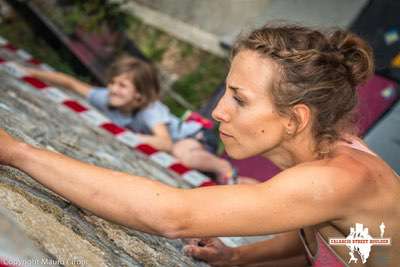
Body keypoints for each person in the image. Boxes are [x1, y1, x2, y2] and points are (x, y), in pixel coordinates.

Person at [1, 23, 399, 267]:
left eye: (239, 100)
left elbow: (172, 215)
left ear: (295, 119)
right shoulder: (333, 153)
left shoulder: (334, 179)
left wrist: (18, 152)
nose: (219, 112)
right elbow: (328, 238)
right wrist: (236, 257)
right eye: (227, 93)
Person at [22, 56, 238, 184]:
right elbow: (69, 82)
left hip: (193, 136)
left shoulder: (150, 110)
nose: (113, 89)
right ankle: (242, 183)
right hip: (181, 143)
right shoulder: (107, 98)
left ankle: (223, 167)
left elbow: (165, 143)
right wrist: (29, 72)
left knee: (184, 155)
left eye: (122, 85)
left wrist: (128, 136)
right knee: (211, 180)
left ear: (139, 95)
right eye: (113, 82)